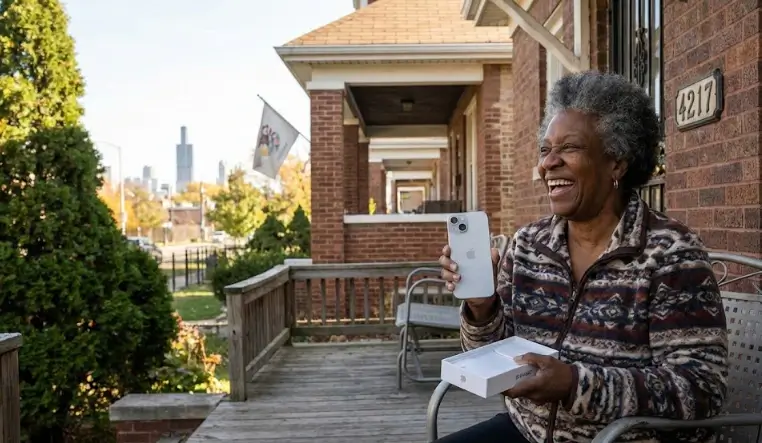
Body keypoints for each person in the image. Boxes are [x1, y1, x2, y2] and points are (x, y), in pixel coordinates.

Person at [436, 71, 728, 443]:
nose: (549, 163)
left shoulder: (671, 254)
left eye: (569, 148)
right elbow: (489, 356)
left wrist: (576, 384)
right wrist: (482, 307)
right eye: (545, 150)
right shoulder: (528, 244)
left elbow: (701, 389)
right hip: (529, 431)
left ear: (617, 163)